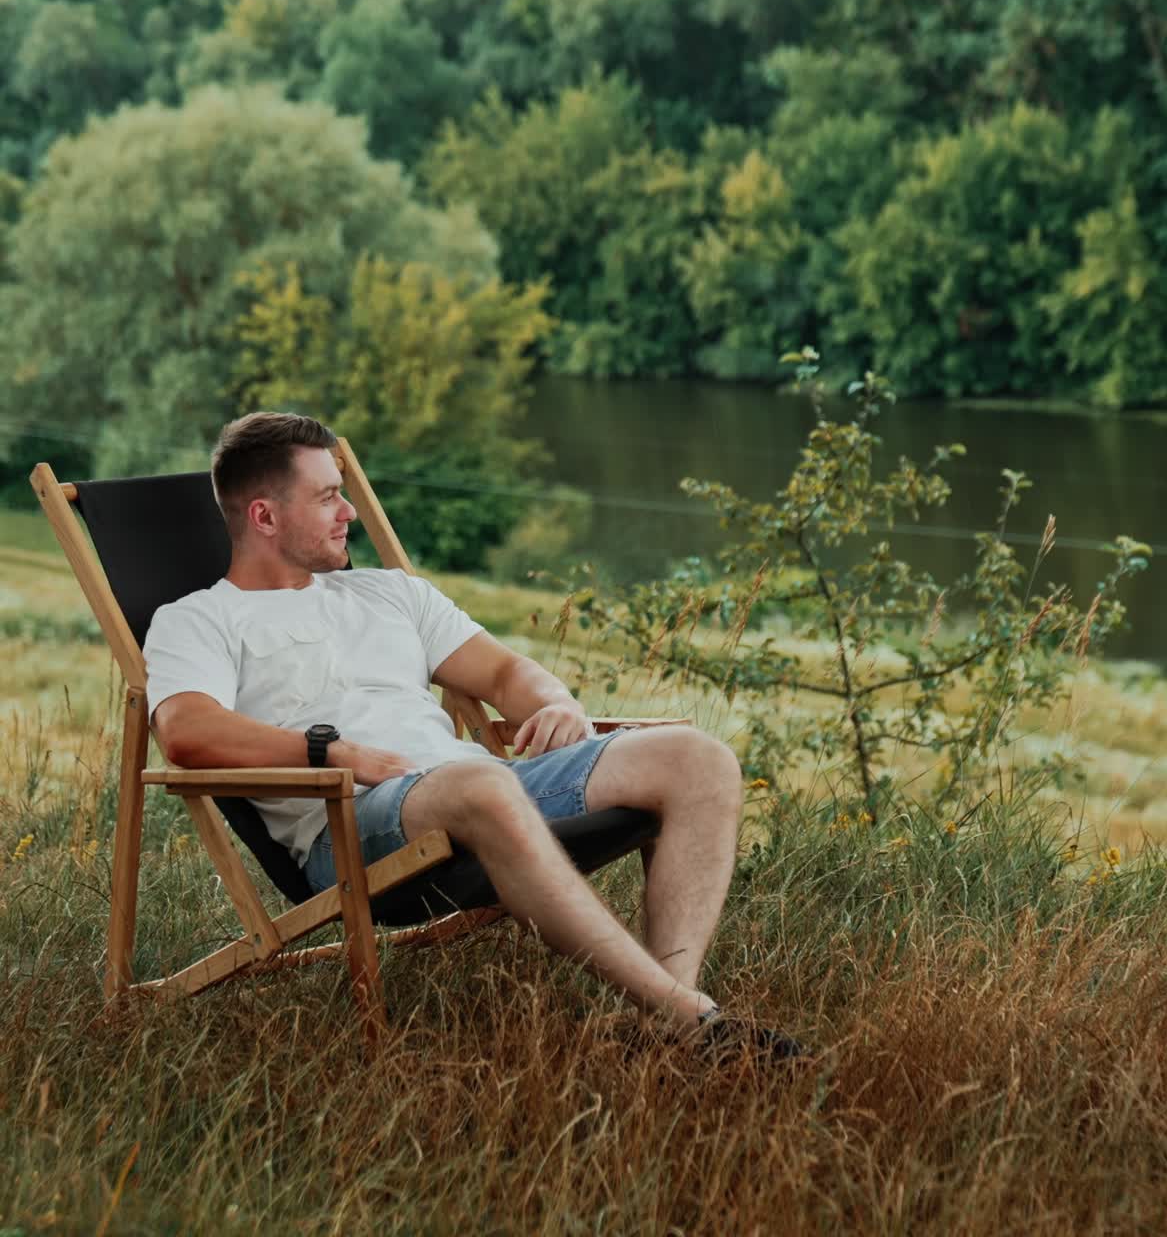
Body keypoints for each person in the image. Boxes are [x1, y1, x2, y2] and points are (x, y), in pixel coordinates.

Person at [144, 412, 799, 1057]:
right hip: (352, 822)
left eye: (344, 491)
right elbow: (185, 730)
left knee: (698, 759)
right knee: (482, 781)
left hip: (481, 788)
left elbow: (506, 671)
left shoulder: (391, 593)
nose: (349, 511)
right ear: (264, 516)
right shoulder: (200, 620)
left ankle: (668, 1025)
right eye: (327, 496)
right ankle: (697, 1020)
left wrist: (556, 703)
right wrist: (328, 751)